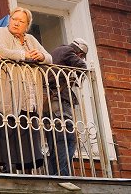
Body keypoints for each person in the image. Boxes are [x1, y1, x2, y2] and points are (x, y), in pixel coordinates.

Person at [0, 7, 52, 173]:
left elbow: (49, 57)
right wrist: (23, 56)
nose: (16, 23)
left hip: (27, 97)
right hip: (1, 95)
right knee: (5, 137)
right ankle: (4, 170)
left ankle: (25, 171)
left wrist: (41, 56)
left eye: (21, 21)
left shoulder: (30, 39)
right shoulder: (1, 32)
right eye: (14, 18)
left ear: (27, 26)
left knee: (25, 138)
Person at [46, 38, 88, 176]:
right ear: (80, 52)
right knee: (67, 139)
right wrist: (77, 78)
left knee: (56, 139)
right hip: (59, 99)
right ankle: (63, 173)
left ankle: (56, 172)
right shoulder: (68, 51)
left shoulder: (57, 50)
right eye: (81, 56)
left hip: (51, 99)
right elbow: (82, 67)